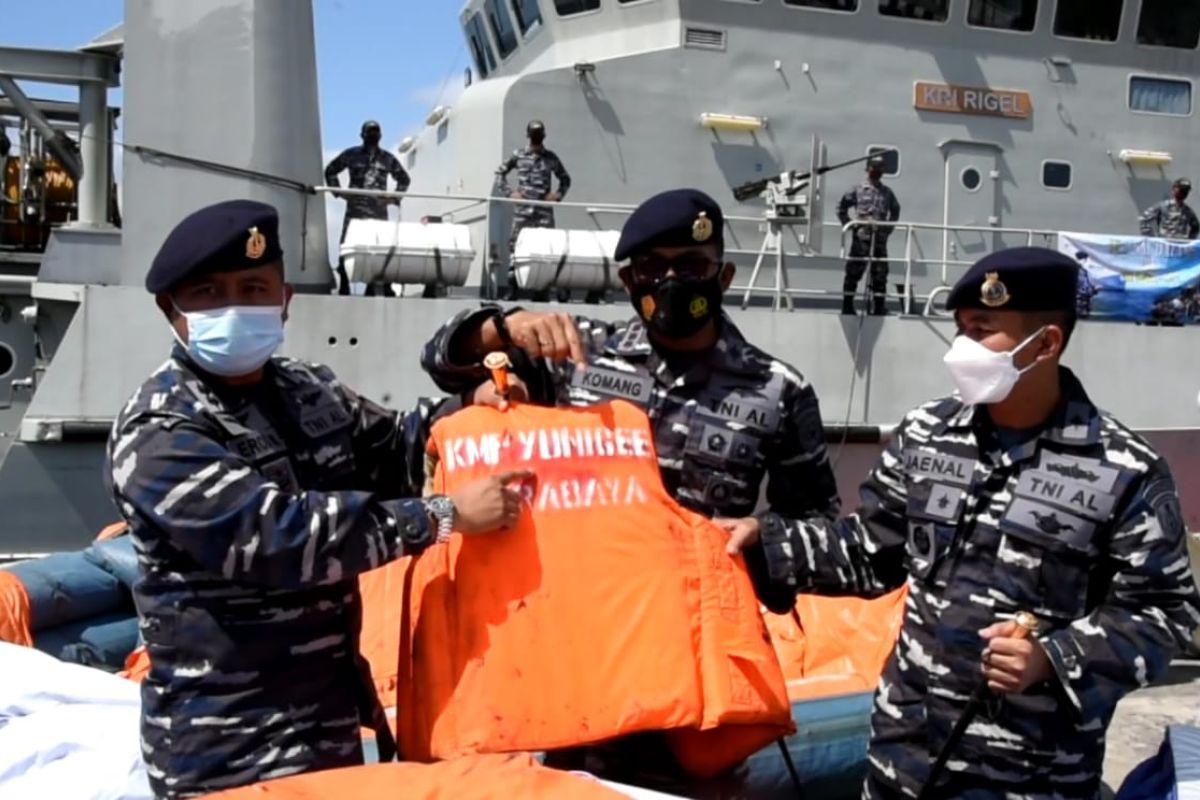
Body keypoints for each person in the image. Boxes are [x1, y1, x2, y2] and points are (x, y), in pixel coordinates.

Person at [727, 247, 1200, 799]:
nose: (962, 350)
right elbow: (870, 548)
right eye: (961, 330)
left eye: (983, 331)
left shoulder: (1123, 470)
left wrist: (1054, 656)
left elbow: (1167, 612)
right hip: (903, 759)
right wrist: (769, 543)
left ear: (1045, 343)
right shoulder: (927, 433)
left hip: (1028, 777)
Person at [104, 199, 530, 799]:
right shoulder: (160, 427)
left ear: (285, 299)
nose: (236, 306)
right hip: (226, 743)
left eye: (254, 288)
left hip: (328, 721)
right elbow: (277, 538)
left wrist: (471, 412)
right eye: (209, 292)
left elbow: (398, 449)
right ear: (169, 309)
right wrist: (443, 515)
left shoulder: (311, 388)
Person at [420, 188, 842, 789]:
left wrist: (762, 538)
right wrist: (502, 325)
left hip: (697, 688)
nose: (672, 282)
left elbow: (821, 527)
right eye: (652, 269)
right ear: (627, 281)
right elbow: (442, 359)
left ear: (723, 274)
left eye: (691, 266)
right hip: (586, 666)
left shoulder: (778, 390)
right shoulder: (575, 355)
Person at [324, 120, 411, 297]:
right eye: (369, 132)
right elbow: (330, 170)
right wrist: (340, 193)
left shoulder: (388, 158)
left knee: (379, 248)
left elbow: (404, 179)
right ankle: (344, 284)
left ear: (380, 135)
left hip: (378, 211)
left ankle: (377, 285)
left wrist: (392, 198)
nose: (373, 135)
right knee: (346, 246)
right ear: (362, 135)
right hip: (355, 209)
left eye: (375, 131)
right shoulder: (351, 154)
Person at [494, 119, 572, 303]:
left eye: (539, 133)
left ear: (543, 136)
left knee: (546, 250)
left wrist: (558, 195)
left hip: (543, 211)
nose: (537, 137)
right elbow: (499, 174)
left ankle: (542, 289)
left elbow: (565, 179)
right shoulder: (518, 155)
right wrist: (510, 193)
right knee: (515, 248)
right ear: (529, 135)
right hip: (523, 211)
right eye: (534, 133)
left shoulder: (550, 158)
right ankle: (512, 288)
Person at [837, 157, 901, 316]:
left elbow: (895, 210)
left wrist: (888, 228)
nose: (877, 171)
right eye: (874, 167)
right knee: (854, 272)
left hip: (879, 238)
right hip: (861, 238)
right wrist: (850, 224)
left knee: (880, 274)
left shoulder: (887, 192)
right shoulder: (857, 189)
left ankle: (879, 307)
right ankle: (847, 306)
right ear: (868, 169)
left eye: (880, 168)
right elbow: (841, 207)